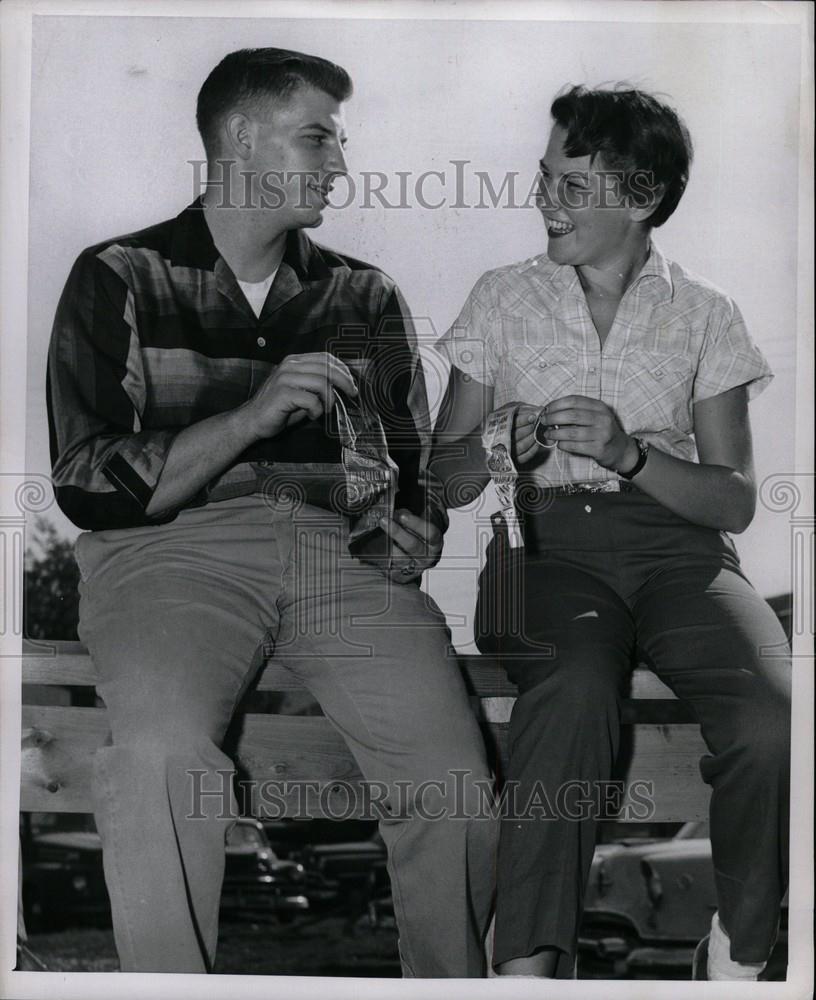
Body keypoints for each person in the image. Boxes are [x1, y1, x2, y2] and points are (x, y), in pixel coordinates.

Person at [46, 47, 496, 975]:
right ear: (243, 139)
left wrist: (408, 529)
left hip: (337, 561)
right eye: (318, 136)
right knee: (160, 762)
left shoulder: (363, 294)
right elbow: (87, 480)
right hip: (169, 555)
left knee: (455, 786)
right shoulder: (119, 275)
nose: (339, 163)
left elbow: (400, 477)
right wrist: (248, 418)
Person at [432, 85, 790, 981]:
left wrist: (633, 455)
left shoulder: (707, 313)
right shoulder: (501, 299)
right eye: (544, 178)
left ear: (640, 196)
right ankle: (528, 963)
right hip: (547, 554)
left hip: (682, 556)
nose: (544, 199)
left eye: (571, 186)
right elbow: (442, 478)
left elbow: (734, 500)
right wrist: (492, 445)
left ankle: (741, 953)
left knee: (776, 723)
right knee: (576, 687)